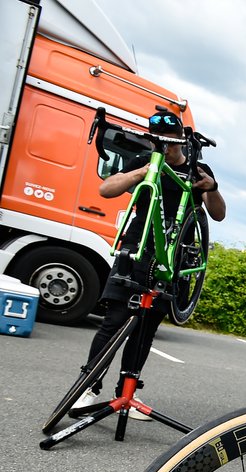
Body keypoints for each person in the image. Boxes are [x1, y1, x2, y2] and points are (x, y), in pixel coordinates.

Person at [72, 109, 226, 417]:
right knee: (114, 321)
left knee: (146, 328)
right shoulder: (142, 160)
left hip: (174, 258)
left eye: (170, 141)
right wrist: (141, 172)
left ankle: (125, 394)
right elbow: (106, 189)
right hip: (136, 248)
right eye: (160, 141)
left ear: (181, 140)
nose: (165, 147)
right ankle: (88, 387)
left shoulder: (199, 169)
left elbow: (219, 214)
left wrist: (212, 188)